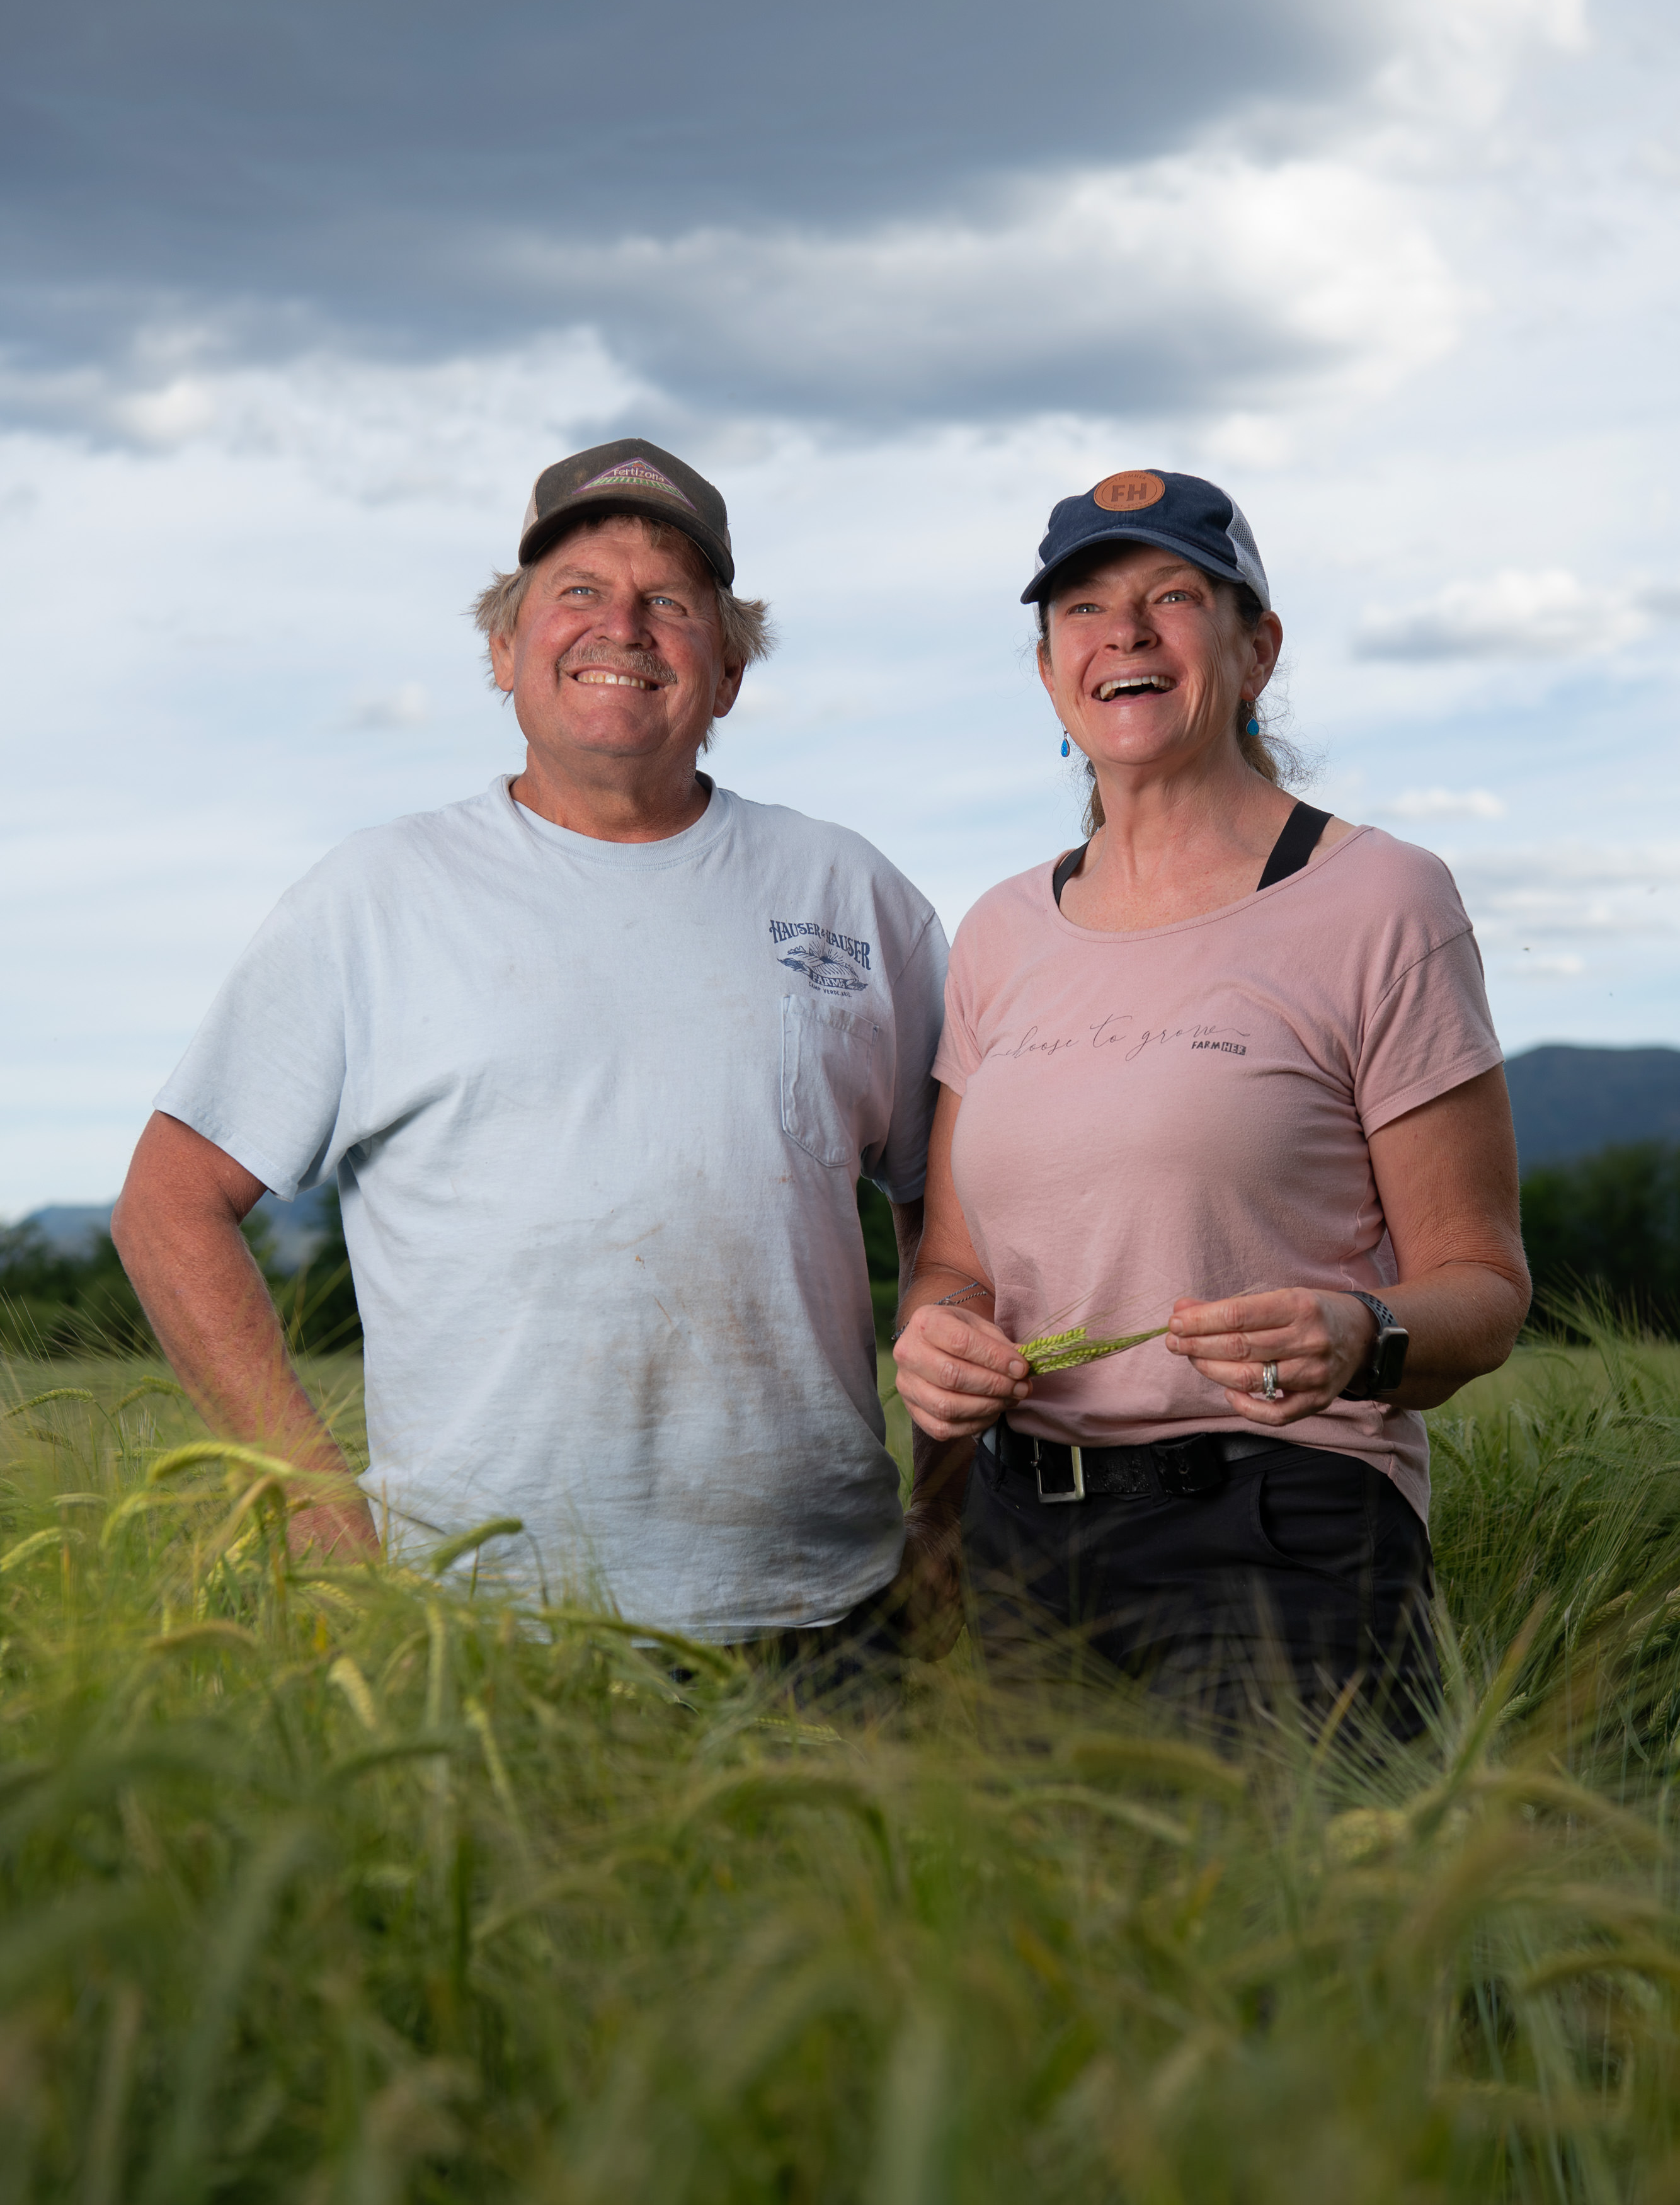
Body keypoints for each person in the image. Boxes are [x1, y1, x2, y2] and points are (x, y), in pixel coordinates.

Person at [113, 437, 963, 1669]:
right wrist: (310, 1501)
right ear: (503, 649)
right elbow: (167, 1202)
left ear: (726, 668)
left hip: (828, 1613)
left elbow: (957, 1211)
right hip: (481, 1633)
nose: (622, 624)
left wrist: (946, 1513)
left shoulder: (851, 893)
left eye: (670, 603)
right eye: (576, 592)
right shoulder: (375, 897)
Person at [891, 469, 1531, 1729]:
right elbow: (952, 1266)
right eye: (1080, 608)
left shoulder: (1378, 898)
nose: (1121, 633)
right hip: (1025, 1537)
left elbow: (1482, 1283)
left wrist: (1359, 1330)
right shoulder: (1000, 930)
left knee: (1285, 1920)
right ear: (1045, 670)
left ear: (1256, 647)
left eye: (1169, 596)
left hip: (1281, 1530)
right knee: (1049, 1929)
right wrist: (937, 1339)